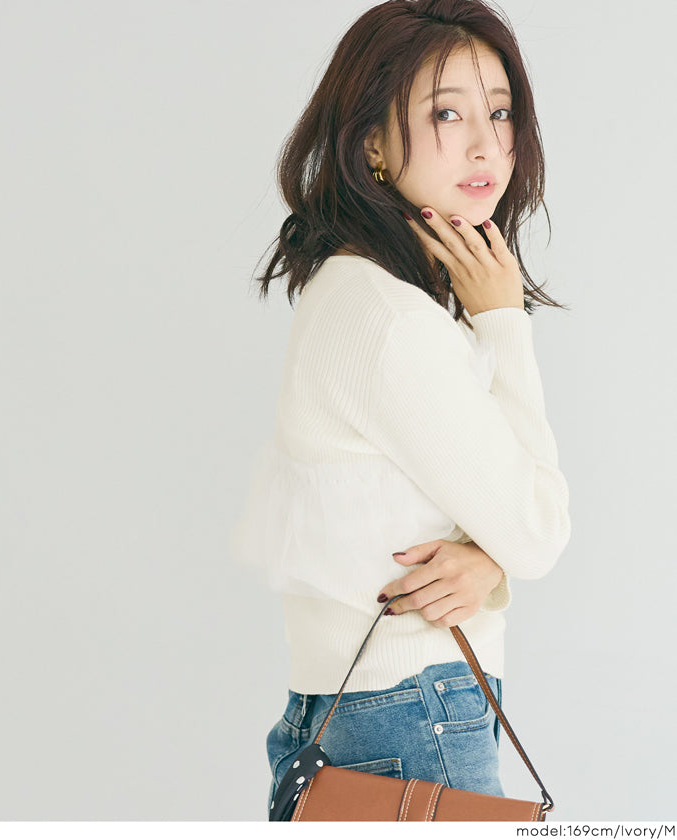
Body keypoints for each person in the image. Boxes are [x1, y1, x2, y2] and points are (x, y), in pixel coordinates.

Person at [229, 0, 571, 820]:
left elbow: (482, 528)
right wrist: (503, 322)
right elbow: (538, 529)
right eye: (446, 113)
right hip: (414, 713)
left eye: (500, 112)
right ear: (372, 145)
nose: (485, 144)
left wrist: (487, 563)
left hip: (362, 714)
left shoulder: (361, 295)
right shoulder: (391, 323)